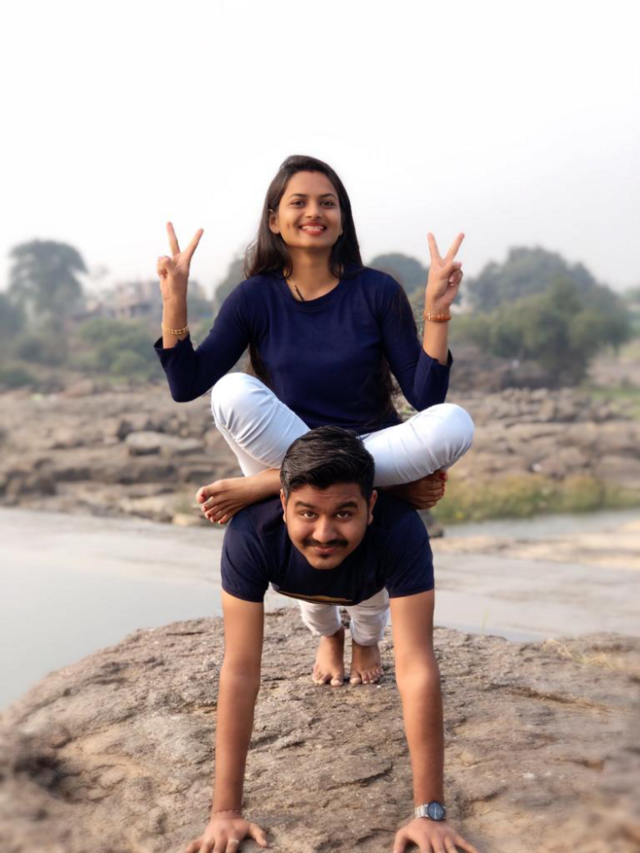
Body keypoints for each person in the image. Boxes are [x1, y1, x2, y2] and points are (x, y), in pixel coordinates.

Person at [185, 427, 479, 853]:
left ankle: (362, 643)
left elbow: (415, 666)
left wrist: (429, 813)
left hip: (368, 584)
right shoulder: (251, 534)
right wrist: (225, 813)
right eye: (307, 513)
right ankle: (331, 638)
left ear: (371, 506)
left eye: (343, 513)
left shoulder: (399, 530)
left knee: (370, 620)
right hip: (298, 583)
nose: (323, 533)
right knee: (319, 616)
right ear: (283, 504)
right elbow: (241, 669)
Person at [153, 154, 475, 535]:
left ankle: (269, 482)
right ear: (274, 221)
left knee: (455, 423)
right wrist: (174, 299)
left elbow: (426, 398)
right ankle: (378, 482)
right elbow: (186, 385)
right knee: (230, 391)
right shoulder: (253, 297)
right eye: (299, 202)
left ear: (342, 221)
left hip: (371, 443)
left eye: (327, 203)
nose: (314, 212)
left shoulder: (378, 291)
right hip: (288, 446)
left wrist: (437, 309)